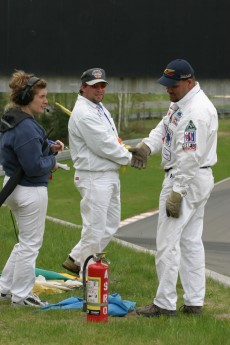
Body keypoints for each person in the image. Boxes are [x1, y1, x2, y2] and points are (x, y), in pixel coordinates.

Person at [129, 59, 218, 316]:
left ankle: (164, 304)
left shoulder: (196, 112)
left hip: (185, 179)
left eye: (173, 85)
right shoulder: (182, 102)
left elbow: (189, 157)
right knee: (190, 241)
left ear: (189, 81)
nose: (169, 89)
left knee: (167, 242)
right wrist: (147, 146)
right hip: (193, 179)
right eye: (166, 85)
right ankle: (194, 302)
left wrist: (177, 193)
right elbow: (165, 127)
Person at [0, 70, 64, 307]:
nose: (46, 101)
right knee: (30, 245)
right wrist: (53, 162)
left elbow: (25, 146)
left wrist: (49, 146)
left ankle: (5, 288)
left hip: (13, 188)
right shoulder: (27, 127)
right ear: (28, 97)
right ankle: (22, 295)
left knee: (24, 242)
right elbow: (34, 165)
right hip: (30, 190)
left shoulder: (12, 117)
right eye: (42, 96)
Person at [62, 68, 131, 276]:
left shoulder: (98, 107)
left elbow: (110, 140)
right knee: (95, 227)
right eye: (94, 86)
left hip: (107, 174)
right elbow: (104, 145)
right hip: (94, 176)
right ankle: (89, 276)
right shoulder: (84, 113)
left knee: (110, 224)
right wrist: (129, 156)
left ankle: (76, 259)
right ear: (83, 87)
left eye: (102, 85)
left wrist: (122, 151)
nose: (99, 90)